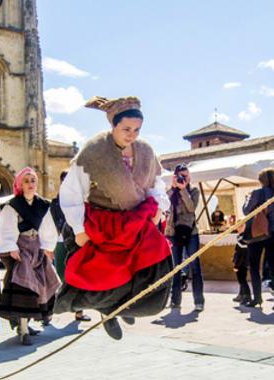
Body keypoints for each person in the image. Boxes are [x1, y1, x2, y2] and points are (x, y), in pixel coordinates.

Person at [54, 95, 172, 340]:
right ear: (113, 125)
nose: (131, 135)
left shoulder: (146, 151)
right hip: (104, 223)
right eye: (126, 129)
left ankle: (125, 306)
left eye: (137, 130)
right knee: (105, 271)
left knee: (152, 261)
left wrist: (159, 207)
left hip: (138, 221)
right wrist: (79, 229)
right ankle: (107, 310)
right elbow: (72, 193)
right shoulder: (94, 150)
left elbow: (156, 183)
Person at [0, 167, 61, 345]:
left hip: (37, 247)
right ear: (20, 184)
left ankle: (28, 323)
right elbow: (6, 228)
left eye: (33, 180)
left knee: (43, 282)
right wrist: (10, 247)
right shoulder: (13, 205)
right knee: (24, 284)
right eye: (26, 181)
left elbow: (47, 227)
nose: (30, 184)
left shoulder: (42, 204)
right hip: (20, 248)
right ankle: (22, 328)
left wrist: (48, 247)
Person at [39, 170, 91, 323]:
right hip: (60, 242)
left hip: (78, 242)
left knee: (78, 276)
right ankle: (51, 309)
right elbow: (47, 224)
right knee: (59, 276)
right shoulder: (55, 203)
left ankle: (79, 311)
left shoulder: (82, 201)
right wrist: (48, 247)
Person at [242, 168, 274, 311]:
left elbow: (246, 210)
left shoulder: (257, 193)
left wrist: (247, 199)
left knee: (254, 267)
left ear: (261, 180)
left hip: (258, 233)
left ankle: (257, 298)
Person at [163, 164, 204, 311]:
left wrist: (183, 190)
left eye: (186, 176)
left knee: (195, 267)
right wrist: (174, 188)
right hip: (173, 232)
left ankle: (199, 301)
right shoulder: (170, 192)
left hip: (190, 231)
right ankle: (175, 301)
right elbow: (164, 205)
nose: (184, 179)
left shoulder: (194, 190)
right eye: (181, 176)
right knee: (175, 268)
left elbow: (191, 208)